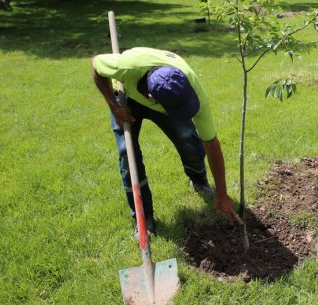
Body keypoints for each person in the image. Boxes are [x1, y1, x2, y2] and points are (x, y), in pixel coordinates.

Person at [92, 47, 240, 237]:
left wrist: (222, 194)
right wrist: (114, 107)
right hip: (126, 95)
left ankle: (198, 180)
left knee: (187, 135)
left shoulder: (190, 89)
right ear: (153, 100)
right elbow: (95, 64)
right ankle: (143, 218)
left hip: (165, 94)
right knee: (127, 154)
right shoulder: (125, 67)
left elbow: (212, 143)